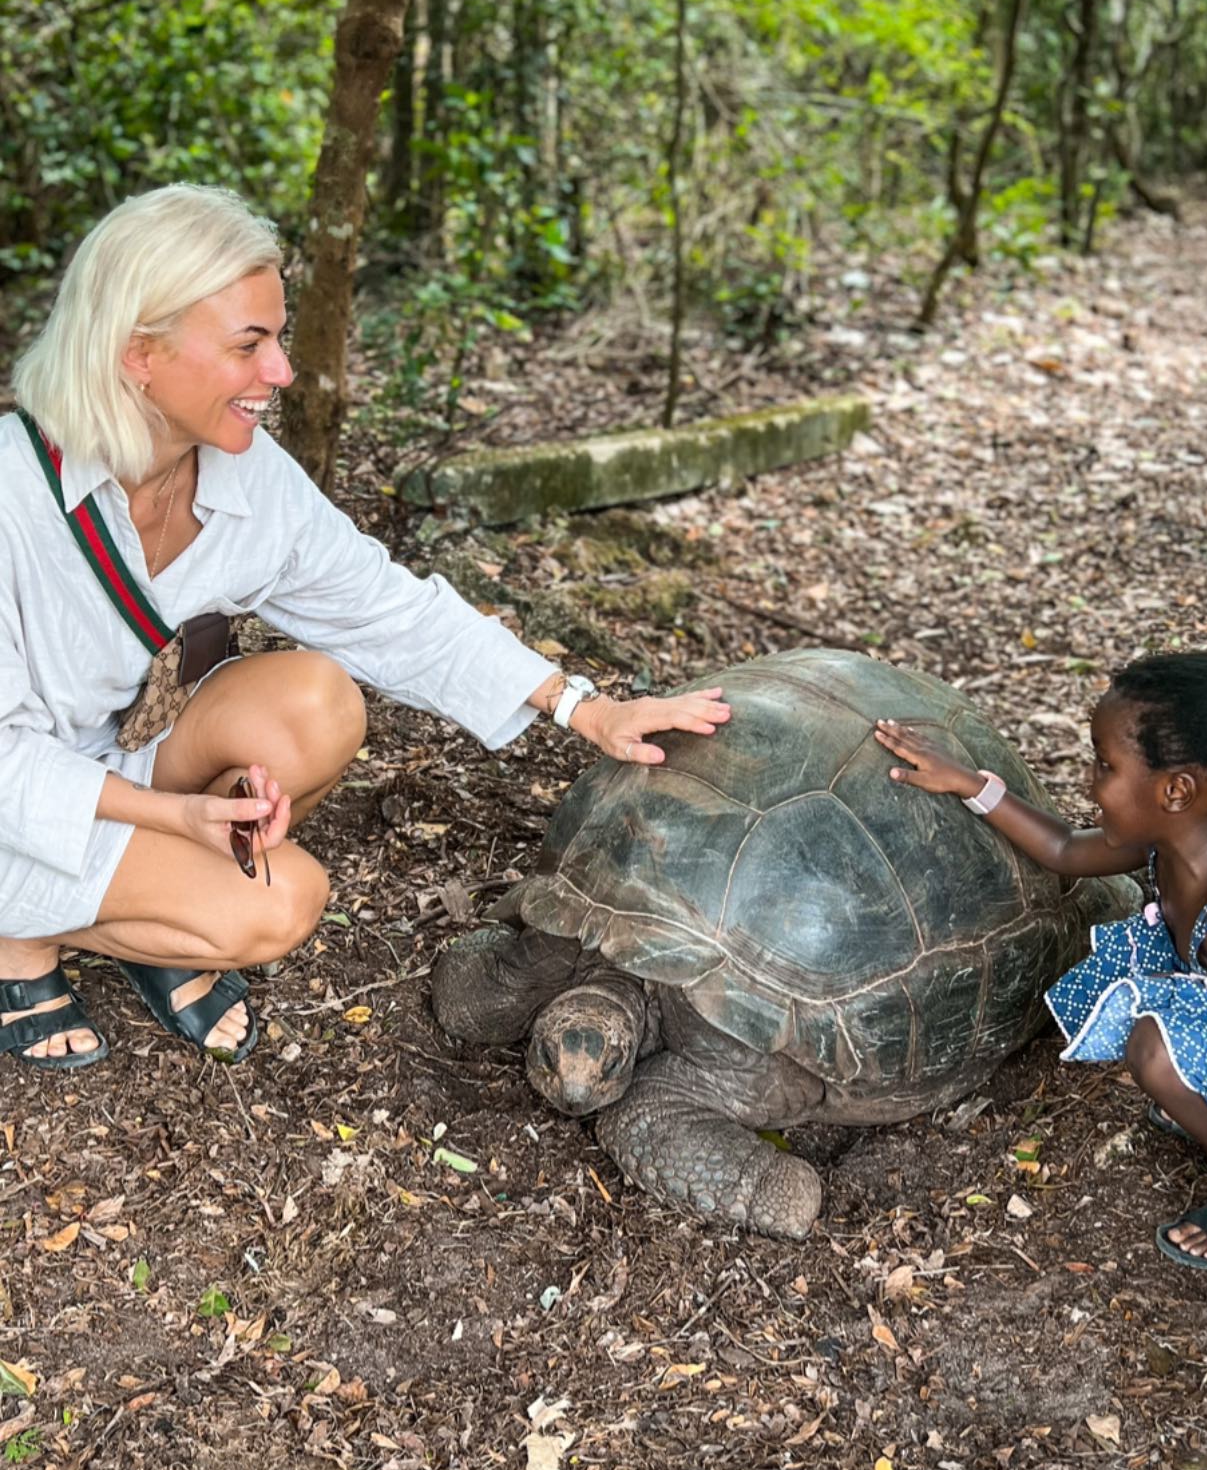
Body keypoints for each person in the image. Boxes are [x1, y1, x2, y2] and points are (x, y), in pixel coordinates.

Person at [1, 184, 730, 1070]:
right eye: (249, 344)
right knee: (280, 905)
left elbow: (387, 609)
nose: (282, 372)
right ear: (138, 355)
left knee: (317, 701)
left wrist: (583, 706)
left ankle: (146, 911)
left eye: (278, 336)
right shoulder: (12, 494)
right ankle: (30, 941)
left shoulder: (244, 479)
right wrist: (175, 817)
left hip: (95, 764)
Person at [874, 653, 1207, 1273]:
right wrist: (968, 784)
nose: (1091, 781)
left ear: (1176, 791)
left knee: (1155, 1048)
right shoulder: (1183, 837)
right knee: (1166, 1031)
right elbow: (1064, 849)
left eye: (1103, 764)